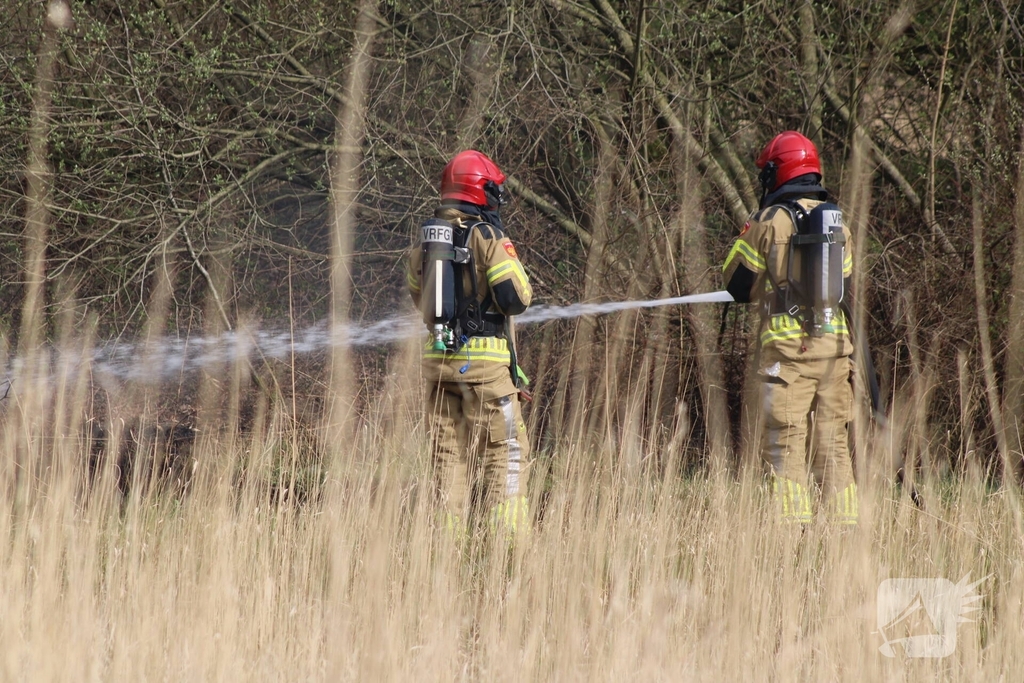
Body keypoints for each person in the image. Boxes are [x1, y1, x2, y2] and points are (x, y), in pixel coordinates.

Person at [722, 131, 858, 525]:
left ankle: (791, 535)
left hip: (788, 358)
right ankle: (845, 534)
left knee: (785, 445)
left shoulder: (768, 222)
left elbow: (735, 284)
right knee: (833, 446)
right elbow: (844, 289)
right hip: (835, 353)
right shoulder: (840, 226)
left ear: (776, 172)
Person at [406, 150, 533, 541]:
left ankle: (445, 549)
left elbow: (418, 299)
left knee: (448, 462)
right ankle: (506, 549)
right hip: (485, 374)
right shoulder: (487, 236)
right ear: (481, 191)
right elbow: (516, 298)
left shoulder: (425, 241)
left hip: (437, 369)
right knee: (506, 455)